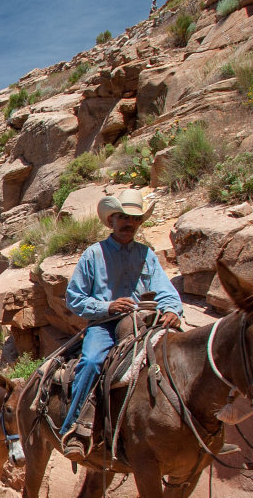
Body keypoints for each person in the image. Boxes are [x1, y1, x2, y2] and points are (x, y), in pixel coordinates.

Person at [59, 188, 183, 460]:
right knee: (91, 361)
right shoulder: (93, 254)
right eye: (123, 217)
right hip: (105, 324)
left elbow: (164, 290)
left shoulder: (146, 255)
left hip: (142, 322)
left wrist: (172, 309)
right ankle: (75, 429)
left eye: (135, 219)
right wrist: (107, 306)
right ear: (111, 221)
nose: (129, 223)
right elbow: (74, 298)